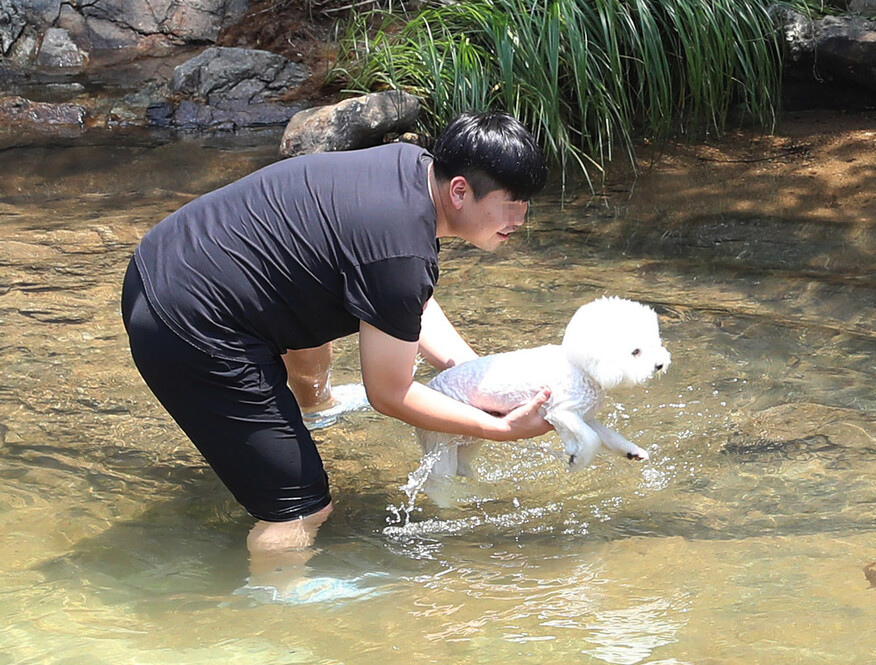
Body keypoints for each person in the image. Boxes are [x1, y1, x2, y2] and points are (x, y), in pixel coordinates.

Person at [121, 111, 553, 557]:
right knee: (300, 508)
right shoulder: (401, 252)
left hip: (161, 260)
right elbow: (389, 394)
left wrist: (470, 373)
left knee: (317, 297)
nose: (521, 219)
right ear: (460, 191)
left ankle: (315, 407)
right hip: (188, 324)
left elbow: (402, 298)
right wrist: (497, 428)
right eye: (512, 204)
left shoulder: (410, 167)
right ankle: (280, 611)